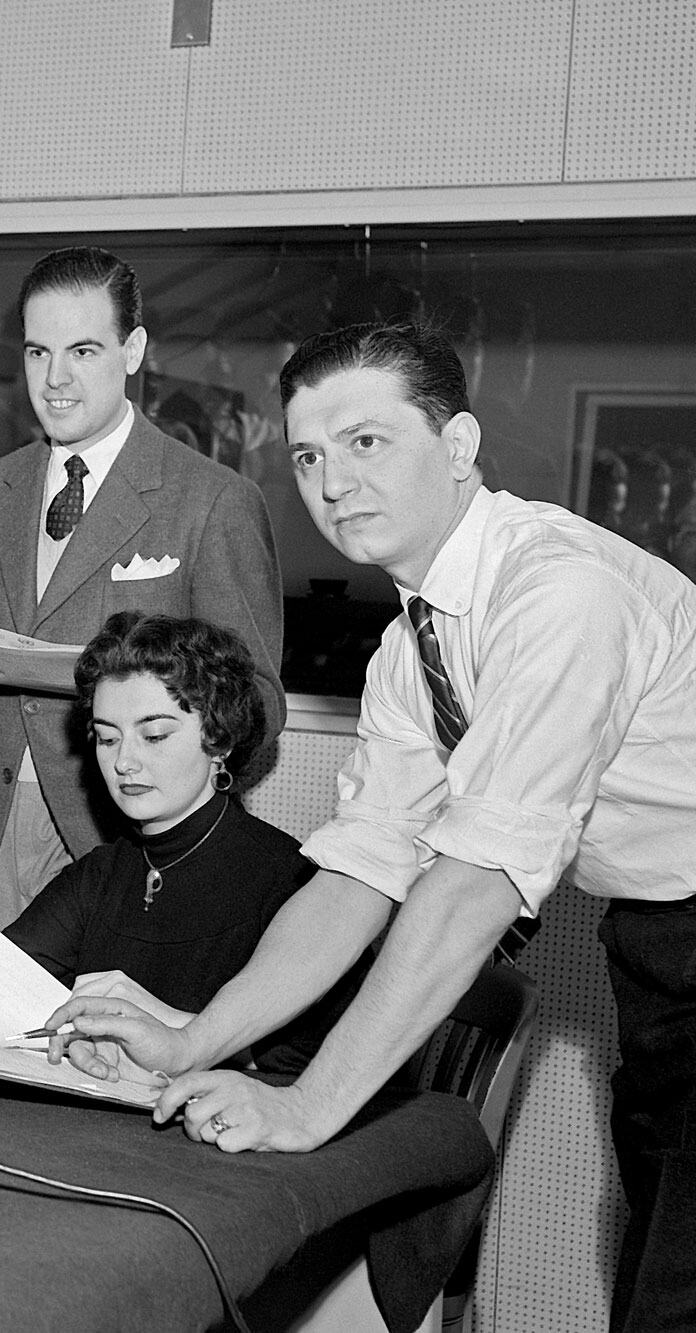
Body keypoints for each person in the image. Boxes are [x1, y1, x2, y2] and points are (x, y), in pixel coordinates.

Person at [48, 321, 696, 1332]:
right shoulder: (411, 644)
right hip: (653, 939)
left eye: (364, 442)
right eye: (306, 455)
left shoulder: (558, 596)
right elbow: (358, 877)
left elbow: (472, 884)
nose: (329, 480)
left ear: (456, 447)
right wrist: (189, 1041)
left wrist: (304, 1110)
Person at [0, 246, 285, 950]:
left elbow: (259, 701)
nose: (54, 379)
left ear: (134, 349)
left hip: (127, 841)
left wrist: (157, 714)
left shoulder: (213, 501)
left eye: (83, 350)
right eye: (37, 352)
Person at [0, 612, 356, 1073]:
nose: (124, 762)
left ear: (220, 738)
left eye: (155, 734)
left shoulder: (294, 882)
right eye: (106, 737)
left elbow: (330, 1068)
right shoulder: (102, 873)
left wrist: (171, 1028)